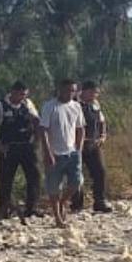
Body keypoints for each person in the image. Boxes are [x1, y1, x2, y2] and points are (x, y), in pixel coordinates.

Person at [0, 81, 41, 224]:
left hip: (27, 146)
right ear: (13, 92)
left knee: (34, 176)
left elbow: (37, 120)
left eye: (25, 95)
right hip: (9, 148)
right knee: (6, 180)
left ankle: (32, 208)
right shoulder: (0, 106)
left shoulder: (27, 104)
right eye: (21, 94)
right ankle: (4, 209)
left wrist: (36, 141)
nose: (23, 97)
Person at [39, 79, 85, 228]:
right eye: (67, 90)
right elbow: (43, 130)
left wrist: (79, 148)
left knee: (76, 182)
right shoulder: (49, 106)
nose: (70, 93)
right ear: (60, 89)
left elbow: (80, 128)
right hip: (55, 152)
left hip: (72, 152)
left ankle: (63, 202)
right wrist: (48, 152)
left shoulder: (76, 106)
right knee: (53, 186)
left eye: (73, 90)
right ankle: (57, 217)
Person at [70, 81, 113, 213]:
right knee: (77, 174)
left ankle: (99, 201)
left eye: (97, 93)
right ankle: (77, 204)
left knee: (100, 171)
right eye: (93, 92)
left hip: (93, 144)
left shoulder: (95, 104)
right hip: (77, 144)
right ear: (85, 91)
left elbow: (102, 121)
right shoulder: (73, 104)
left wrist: (103, 135)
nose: (95, 95)